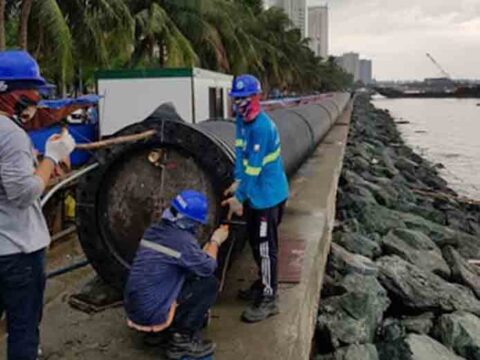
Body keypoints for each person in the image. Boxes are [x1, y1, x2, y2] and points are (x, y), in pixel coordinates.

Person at [0, 50, 76, 360]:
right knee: (23, 327)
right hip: (17, 251)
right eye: (31, 94)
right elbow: (23, 193)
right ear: (11, 93)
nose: (35, 102)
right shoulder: (11, 135)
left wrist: (43, 166)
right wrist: (52, 157)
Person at [124, 190, 229, 360]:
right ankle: (181, 340)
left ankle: (158, 334)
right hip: (152, 313)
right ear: (191, 221)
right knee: (209, 284)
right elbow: (208, 267)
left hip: (135, 308)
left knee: (178, 277)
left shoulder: (154, 230)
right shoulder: (182, 241)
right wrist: (216, 241)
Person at [222, 74, 289, 323]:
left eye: (243, 99)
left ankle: (270, 298)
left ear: (256, 98)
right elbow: (241, 155)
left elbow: (255, 167)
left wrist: (239, 196)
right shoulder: (242, 121)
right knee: (254, 243)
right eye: (236, 99)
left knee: (265, 248)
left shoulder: (262, 127)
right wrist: (237, 180)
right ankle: (262, 284)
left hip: (267, 197)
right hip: (253, 193)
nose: (238, 104)